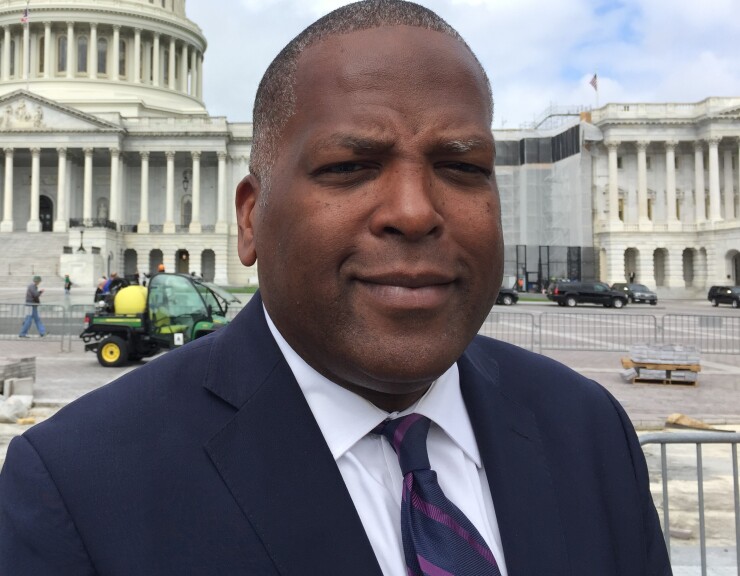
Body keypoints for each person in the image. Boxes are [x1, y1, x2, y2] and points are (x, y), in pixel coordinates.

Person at [0, 2, 672, 575]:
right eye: (350, 166)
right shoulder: (77, 491)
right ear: (250, 218)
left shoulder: (590, 432)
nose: (413, 212)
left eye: (461, 167)